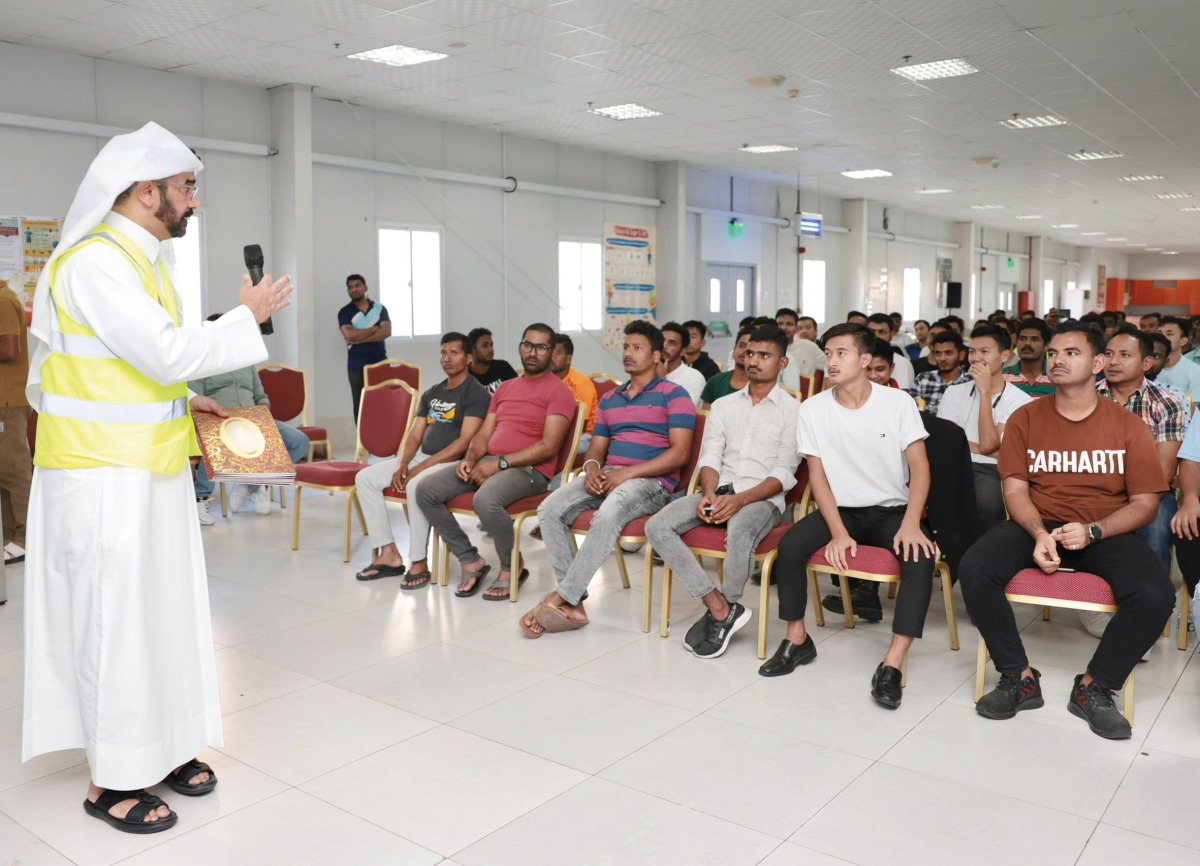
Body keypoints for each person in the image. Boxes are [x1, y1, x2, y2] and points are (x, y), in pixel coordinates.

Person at [22, 122, 292, 833]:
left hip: (149, 470)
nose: (193, 201)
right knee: (115, 625)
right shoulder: (93, 263)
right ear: (148, 192)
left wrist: (183, 398)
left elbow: (140, 366)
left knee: (164, 617)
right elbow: (167, 349)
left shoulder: (142, 260)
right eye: (186, 188)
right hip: (101, 478)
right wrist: (247, 317)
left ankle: (162, 747)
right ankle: (111, 781)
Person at [960, 322, 1174, 740]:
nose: (1058, 360)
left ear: (1097, 363)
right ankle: (1017, 675)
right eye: (1054, 353)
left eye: (1071, 353)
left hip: (1102, 530)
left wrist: (1094, 531)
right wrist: (1039, 532)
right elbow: (1015, 488)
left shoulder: (1128, 426)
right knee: (975, 567)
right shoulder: (1025, 418)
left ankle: (1096, 686)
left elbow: (1147, 504)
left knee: (1155, 594)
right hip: (1038, 525)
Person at [762, 324, 936, 711]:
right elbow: (818, 477)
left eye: (841, 353)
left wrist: (911, 523)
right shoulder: (813, 408)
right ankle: (797, 640)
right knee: (790, 547)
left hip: (891, 511)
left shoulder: (898, 404)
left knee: (920, 559)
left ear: (865, 359)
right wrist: (838, 532)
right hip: (839, 510)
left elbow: (921, 470)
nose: (832, 360)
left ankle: (893, 663)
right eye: (828, 353)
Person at [522, 321, 695, 637]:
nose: (628, 354)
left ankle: (563, 597)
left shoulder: (675, 395)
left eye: (637, 348)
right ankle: (574, 600)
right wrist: (591, 469)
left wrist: (626, 474)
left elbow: (680, 454)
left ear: (657, 356)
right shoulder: (611, 399)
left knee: (608, 513)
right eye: (626, 347)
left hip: (652, 483)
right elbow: (597, 450)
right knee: (549, 509)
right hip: (611, 477)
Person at [645, 325, 799, 657]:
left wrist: (739, 500)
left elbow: (784, 473)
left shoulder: (795, 411)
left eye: (764, 355)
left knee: (740, 530)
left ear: (783, 363)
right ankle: (717, 604)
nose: (754, 361)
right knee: (656, 525)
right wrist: (709, 493)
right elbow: (710, 455)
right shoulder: (725, 405)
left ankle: (728, 605)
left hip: (762, 499)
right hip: (720, 490)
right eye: (750, 353)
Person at [417, 323, 575, 601]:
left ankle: (512, 566)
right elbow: (484, 434)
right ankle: (470, 559)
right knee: (426, 490)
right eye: (528, 345)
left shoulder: (559, 392)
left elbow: (548, 446)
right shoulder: (505, 389)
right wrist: (471, 457)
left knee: (484, 500)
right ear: (520, 347)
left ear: (552, 352)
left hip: (529, 471)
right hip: (490, 462)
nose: (533, 352)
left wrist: (499, 463)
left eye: (541, 347)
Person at [353, 332, 490, 586]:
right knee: (365, 478)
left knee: (417, 486)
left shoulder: (476, 394)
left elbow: (464, 442)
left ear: (469, 358)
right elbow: (414, 434)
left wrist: (420, 468)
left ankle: (419, 562)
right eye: (443, 352)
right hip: (422, 457)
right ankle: (389, 553)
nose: (446, 358)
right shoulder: (432, 393)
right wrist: (403, 462)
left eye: (454, 353)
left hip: (452, 463)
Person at [1083, 328, 1186, 641]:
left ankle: (1147, 615)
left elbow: (1164, 470)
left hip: (1149, 490)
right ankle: (1091, 603)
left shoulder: (1166, 402)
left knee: (1155, 527)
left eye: (1124, 355)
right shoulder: (1086, 395)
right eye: (1109, 354)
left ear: (1146, 362)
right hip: (1092, 488)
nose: (1113, 362)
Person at [189, 322, 313, 523]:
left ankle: (250, 482)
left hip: (254, 419)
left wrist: (263, 413)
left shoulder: (246, 363)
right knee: (212, 444)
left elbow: (260, 395)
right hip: (221, 420)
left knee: (299, 441)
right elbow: (196, 398)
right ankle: (201, 497)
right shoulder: (204, 364)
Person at [936, 325, 1032, 532]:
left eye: (984, 352)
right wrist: (989, 449)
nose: (976, 358)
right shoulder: (953, 393)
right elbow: (946, 443)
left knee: (986, 502)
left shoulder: (1020, 401)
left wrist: (985, 393)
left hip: (990, 470)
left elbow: (989, 445)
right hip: (951, 465)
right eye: (972, 352)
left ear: (1005, 355)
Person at [0, 277, 31, 565]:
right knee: (5, 474)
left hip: (8, 403)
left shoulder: (4, 300)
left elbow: (10, 350)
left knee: (15, 472)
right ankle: (10, 537)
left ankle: (26, 538)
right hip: (4, 402)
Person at [338, 274, 390, 421]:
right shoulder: (345, 312)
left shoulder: (379, 308)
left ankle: (384, 441)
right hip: (356, 366)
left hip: (380, 362)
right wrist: (374, 329)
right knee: (360, 405)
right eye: (350, 287)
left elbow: (386, 331)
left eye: (357, 285)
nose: (354, 289)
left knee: (383, 402)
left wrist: (360, 339)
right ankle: (363, 442)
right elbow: (349, 335)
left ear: (365, 287)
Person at [549, 333, 598, 455]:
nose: (551, 356)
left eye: (556, 353)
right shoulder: (544, 379)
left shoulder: (581, 384)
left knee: (550, 448)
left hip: (585, 437)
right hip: (553, 432)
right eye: (549, 351)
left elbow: (579, 427)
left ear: (568, 359)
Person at [909, 330, 969, 414]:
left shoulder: (970, 382)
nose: (942, 358)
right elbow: (912, 412)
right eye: (938, 353)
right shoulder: (923, 379)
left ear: (961, 355)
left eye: (948, 353)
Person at [700, 324, 754, 408]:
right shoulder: (715, 382)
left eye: (750, 348)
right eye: (741, 346)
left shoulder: (761, 386)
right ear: (733, 349)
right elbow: (707, 417)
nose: (744, 351)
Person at [1004, 317, 1055, 396]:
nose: (1027, 343)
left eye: (1034, 339)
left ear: (1046, 346)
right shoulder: (1002, 378)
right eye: (1023, 339)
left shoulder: (1056, 377)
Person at [660, 321, 706, 406]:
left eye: (672, 343)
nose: (664, 346)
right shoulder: (646, 372)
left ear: (682, 351)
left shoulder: (693, 377)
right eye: (662, 340)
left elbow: (682, 413)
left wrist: (661, 380)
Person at [1155, 316, 1200, 401]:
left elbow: (1190, 410)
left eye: (1169, 334)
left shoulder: (1195, 371)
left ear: (1182, 341)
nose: (1162, 337)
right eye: (1159, 333)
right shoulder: (1145, 367)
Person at [776, 308, 824, 385]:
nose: (784, 328)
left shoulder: (808, 346)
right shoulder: (769, 349)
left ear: (796, 328)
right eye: (780, 324)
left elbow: (830, 367)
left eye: (789, 324)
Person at [866, 313, 915, 388]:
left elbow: (902, 396)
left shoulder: (902, 363)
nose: (876, 336)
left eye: (882, 332)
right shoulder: (857, 358)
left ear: (891, 334)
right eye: (872, 332)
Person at [467, 326, 517, 394]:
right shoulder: (464, 374)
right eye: (485, 345)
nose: (491, 349)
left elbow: (518, 391)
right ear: (472, 349)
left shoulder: (503, 367)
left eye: (491, 345)